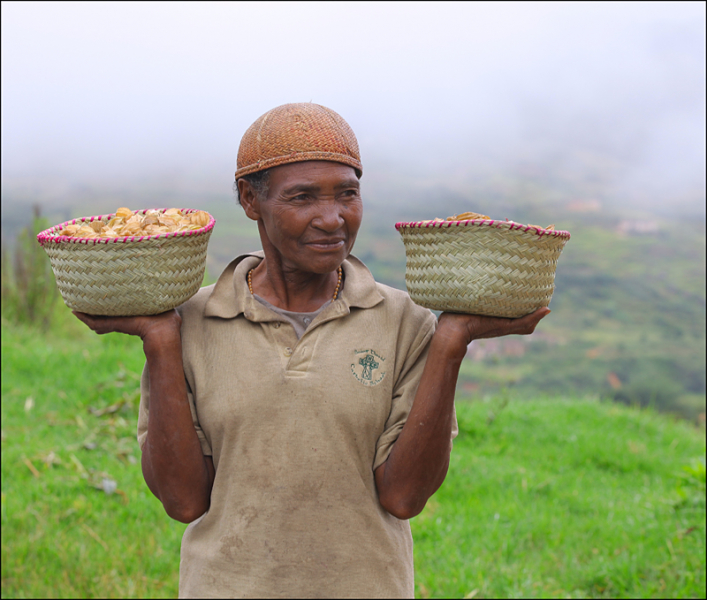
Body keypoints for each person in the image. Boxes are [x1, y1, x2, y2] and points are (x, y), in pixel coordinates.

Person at [74, 102, 549, 598]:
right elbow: (183, 500)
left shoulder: (403, 322)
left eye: (348, 194)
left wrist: (452, 342)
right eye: (302, 198)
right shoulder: (189, 323)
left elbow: (405, 495)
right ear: (250, 199)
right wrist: (159, 341)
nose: (332, 219)